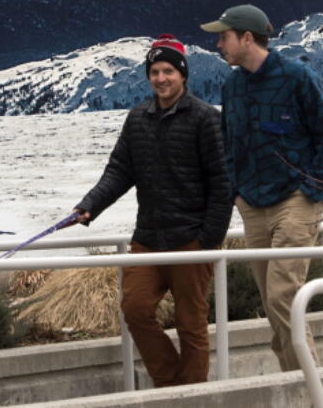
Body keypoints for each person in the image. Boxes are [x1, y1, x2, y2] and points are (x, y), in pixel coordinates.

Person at [72, 34, 232, 387]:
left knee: (192, 324)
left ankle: (191, 397)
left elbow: (223, 184)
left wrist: (208, 240)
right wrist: (89, 206)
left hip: (191, 239)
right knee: (135, 310)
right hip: (148, 238)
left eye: (168, 71)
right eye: (155, 71)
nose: (161, 78)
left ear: (183, 75)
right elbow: (119, 171)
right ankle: (172, 385)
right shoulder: (138, 118)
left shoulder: (205, 119)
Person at [200, 4, 323, 372]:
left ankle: (311, 390)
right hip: (253, 203)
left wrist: (315, 189)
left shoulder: (297, 77)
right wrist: (237, 191)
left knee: (284, 294)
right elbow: (228, 141)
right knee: (271, 301)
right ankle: (296, 381)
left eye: (224, 36)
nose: (218, 44)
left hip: (296, 200)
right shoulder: (232, 87)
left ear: (247, 38)